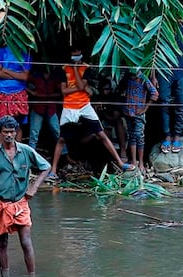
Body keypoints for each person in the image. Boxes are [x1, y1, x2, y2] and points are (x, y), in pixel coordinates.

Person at [0, 116, 50, 276]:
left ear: (16, 132)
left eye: (12, 132)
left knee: (26, 241)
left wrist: (34, 187)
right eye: (5, 132)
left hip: (20, 202)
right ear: (0, 133)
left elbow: (46, 167)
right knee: (2, 242)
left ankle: (32, 276)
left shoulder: (25, 151)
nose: (9, 135)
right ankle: (5, 276)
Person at [49, 46, 126, 180]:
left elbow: (78, 85)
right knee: (62, 139)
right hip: (69, 106)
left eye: (79, 54)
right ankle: (53, 170)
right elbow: (64, 91)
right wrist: (83, 89)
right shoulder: (63, 69)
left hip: (85, 105)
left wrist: (76, 74)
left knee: (101, 134)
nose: (77, 57)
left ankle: (120, 162)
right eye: (74, 54)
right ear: (70, 55)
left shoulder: (86, 68)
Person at [157, 20, 183, 154]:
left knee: (181, 103)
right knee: (164, 102)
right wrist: (153, 76)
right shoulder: (161, 25)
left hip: (181, 70)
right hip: (163, 70)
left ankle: (177, 135)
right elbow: (154, 52)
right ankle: (167, 135)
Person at [121, 69, 158, 171]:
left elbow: (155, 94)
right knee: (131, 136)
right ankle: (134, 161)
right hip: (128, 111)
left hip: (138, 113)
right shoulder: (127, 78)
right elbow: (121, 90)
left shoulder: (143, 79)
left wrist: (144, 109)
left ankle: (141, 162)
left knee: (139, 137)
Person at [0, 45, 31, 128]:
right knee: (1, 124)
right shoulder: (2, 51)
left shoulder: (25, 53)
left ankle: (17, 142)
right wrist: (18, 76)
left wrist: (6, 71)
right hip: (3, 92)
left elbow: (24, 77)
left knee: (18, 125)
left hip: (19, 93)